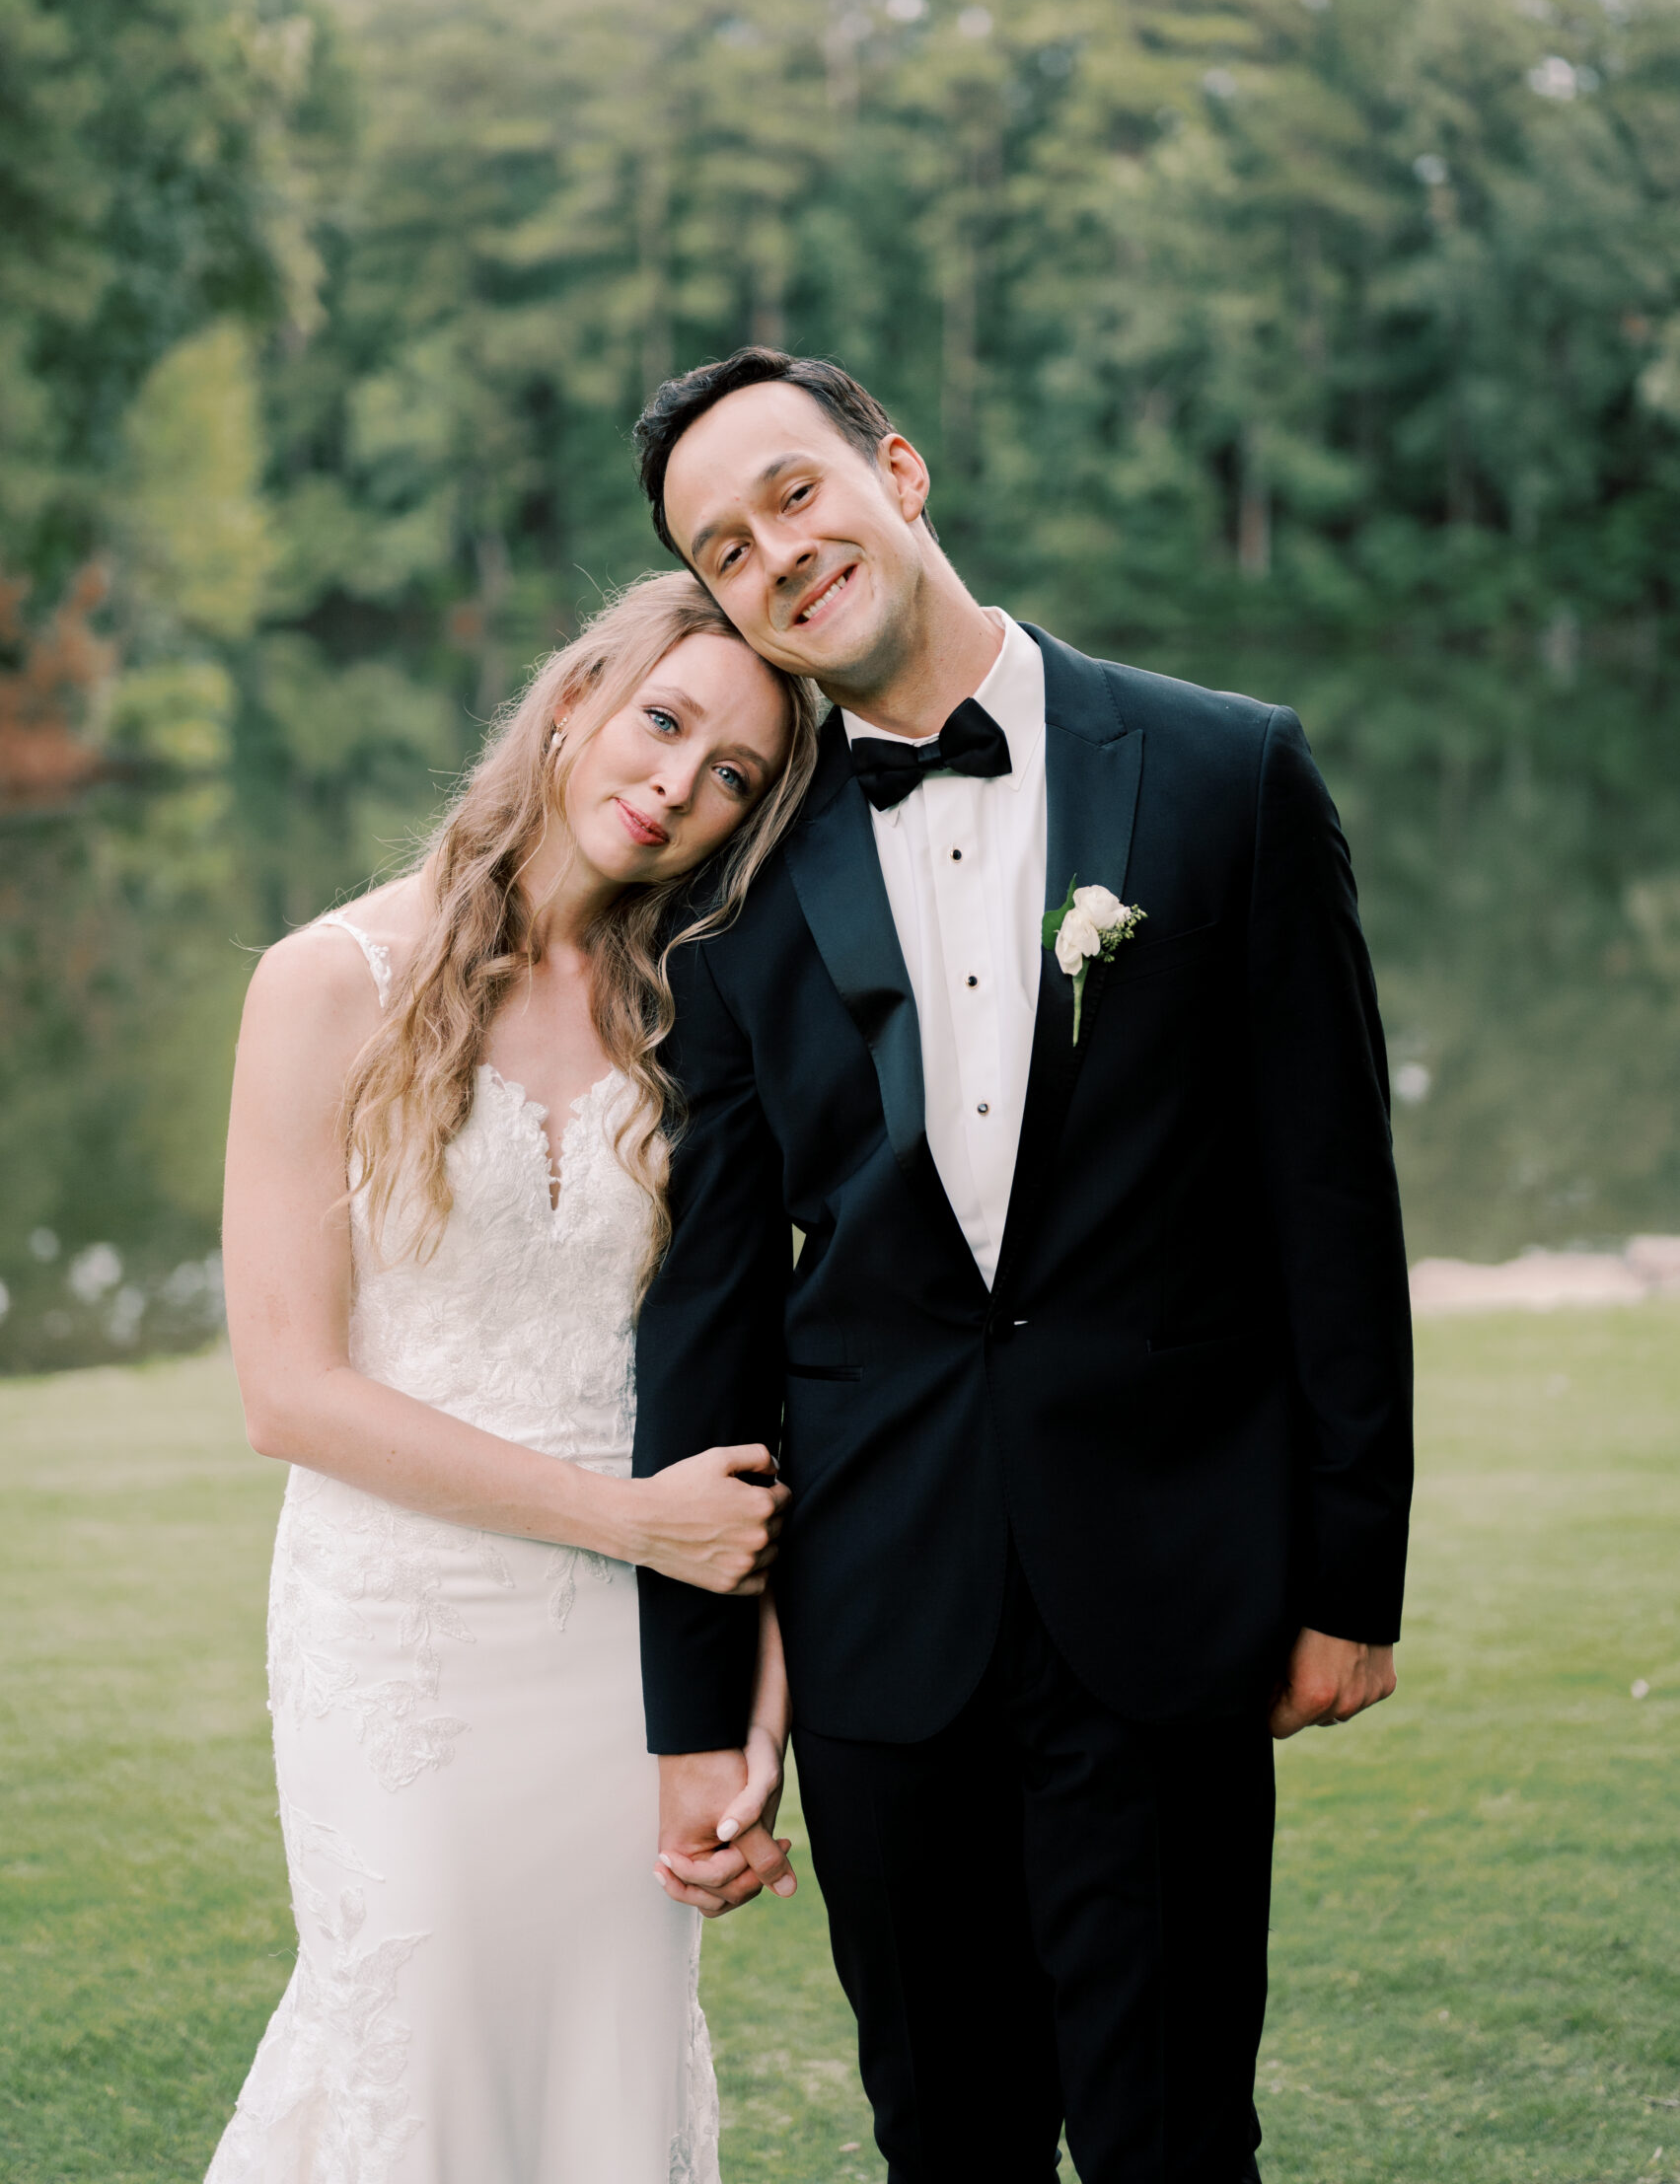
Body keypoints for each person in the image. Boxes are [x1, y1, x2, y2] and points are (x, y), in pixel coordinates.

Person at [630, 351, 1415, 2184]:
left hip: (1171, 1590)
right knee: (946, 2137)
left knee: (1171, 2136)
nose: (779, 556)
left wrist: (1349, 1574)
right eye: (726, 551)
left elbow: (1333, 1199)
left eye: (797, 494)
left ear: (895, 470)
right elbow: (711, 1302)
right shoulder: (734, 893)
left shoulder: (1230, 774)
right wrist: (691, 1705)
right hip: (883, 1618)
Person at [208, 572, 820, 2184]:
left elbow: (736, 1379)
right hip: (399, 1635)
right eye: (666, 723)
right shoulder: (328, 981)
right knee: (413, 2047)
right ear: (574, 702)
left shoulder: (696, 1015)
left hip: (633, 1653)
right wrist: (627, 1520)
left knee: (607, 2073)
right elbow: (288, 1391)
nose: (680, 784)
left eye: (736, 776)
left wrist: (753, 1707)